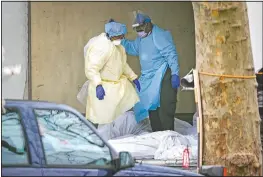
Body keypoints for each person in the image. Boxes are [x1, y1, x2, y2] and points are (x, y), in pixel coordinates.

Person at [121, 11, 180, 132]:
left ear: (148, 25)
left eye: (140, 29)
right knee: (152, 106)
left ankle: (168, 134)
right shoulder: (141, 39)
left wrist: (175, 73)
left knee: (165, 106)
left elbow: (171, 54)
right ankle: (157, 134)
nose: (139, 32)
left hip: (163, 75)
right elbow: (133, 48)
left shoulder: (159, 35)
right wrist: (120, 40)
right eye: (137, 29)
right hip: (149, 77)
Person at [84, 19, 140, 127]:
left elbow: (123, 65)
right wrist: (98, 85)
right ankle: (100, 141)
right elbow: (92, 68)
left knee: (114, 119)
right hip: (103, 88)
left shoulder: (119, 47)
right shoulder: (101, 46)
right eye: (120, 36)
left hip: (115, 88)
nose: (122, 38)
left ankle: (112, 140)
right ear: (111, 34)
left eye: (122, 36)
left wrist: (133, 77)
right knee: (101, 119)